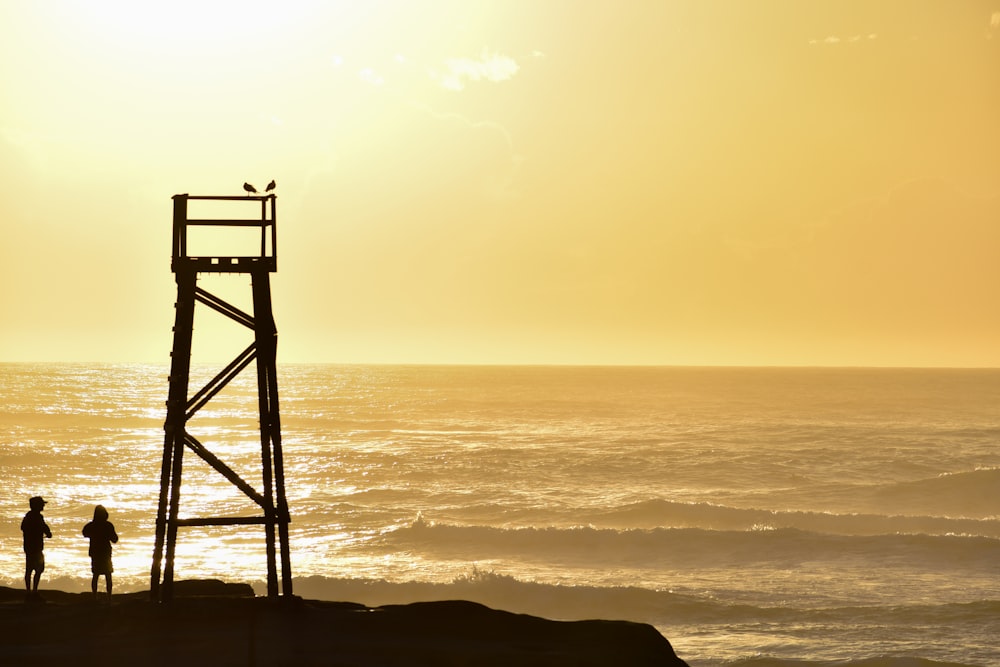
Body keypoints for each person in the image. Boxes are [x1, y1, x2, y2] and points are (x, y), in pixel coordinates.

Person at [82, 505, 118, 600]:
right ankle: (109, 597)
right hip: (105, 552)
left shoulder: (91, 525)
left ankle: (94, 597)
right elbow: (115, 539)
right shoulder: (108, 525)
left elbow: (84, 533)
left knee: (96, 575)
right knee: (108, 575)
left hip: (95, 552)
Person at [21, 495, 52, 597]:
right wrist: (47, 532)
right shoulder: (36, 517)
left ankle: (30, 591)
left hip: (30, 547)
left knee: (31, 569)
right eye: (41, 504)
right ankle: (32, 591)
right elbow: (44, 527)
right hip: (35, 548)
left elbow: (24, 528)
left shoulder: (29, 517)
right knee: (37, 569)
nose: (43, 506)